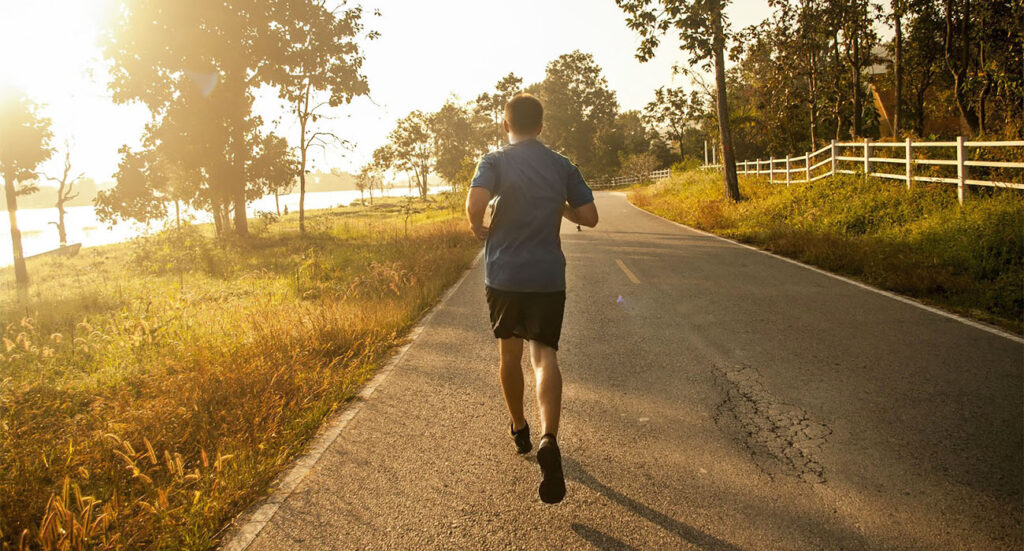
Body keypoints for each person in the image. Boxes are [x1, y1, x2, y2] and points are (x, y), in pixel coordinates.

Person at [465, 93, 599, 504]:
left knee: (510, 356)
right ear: (540, 126)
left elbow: (475, 202)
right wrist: (559, 207)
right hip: (546, 278)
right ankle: (548, 438)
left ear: (506, 126)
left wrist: (477, 226)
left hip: (504, 276)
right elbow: (590, 216)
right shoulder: (561, 164)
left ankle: (520, 429)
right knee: (544, 357)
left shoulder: (495, 160)